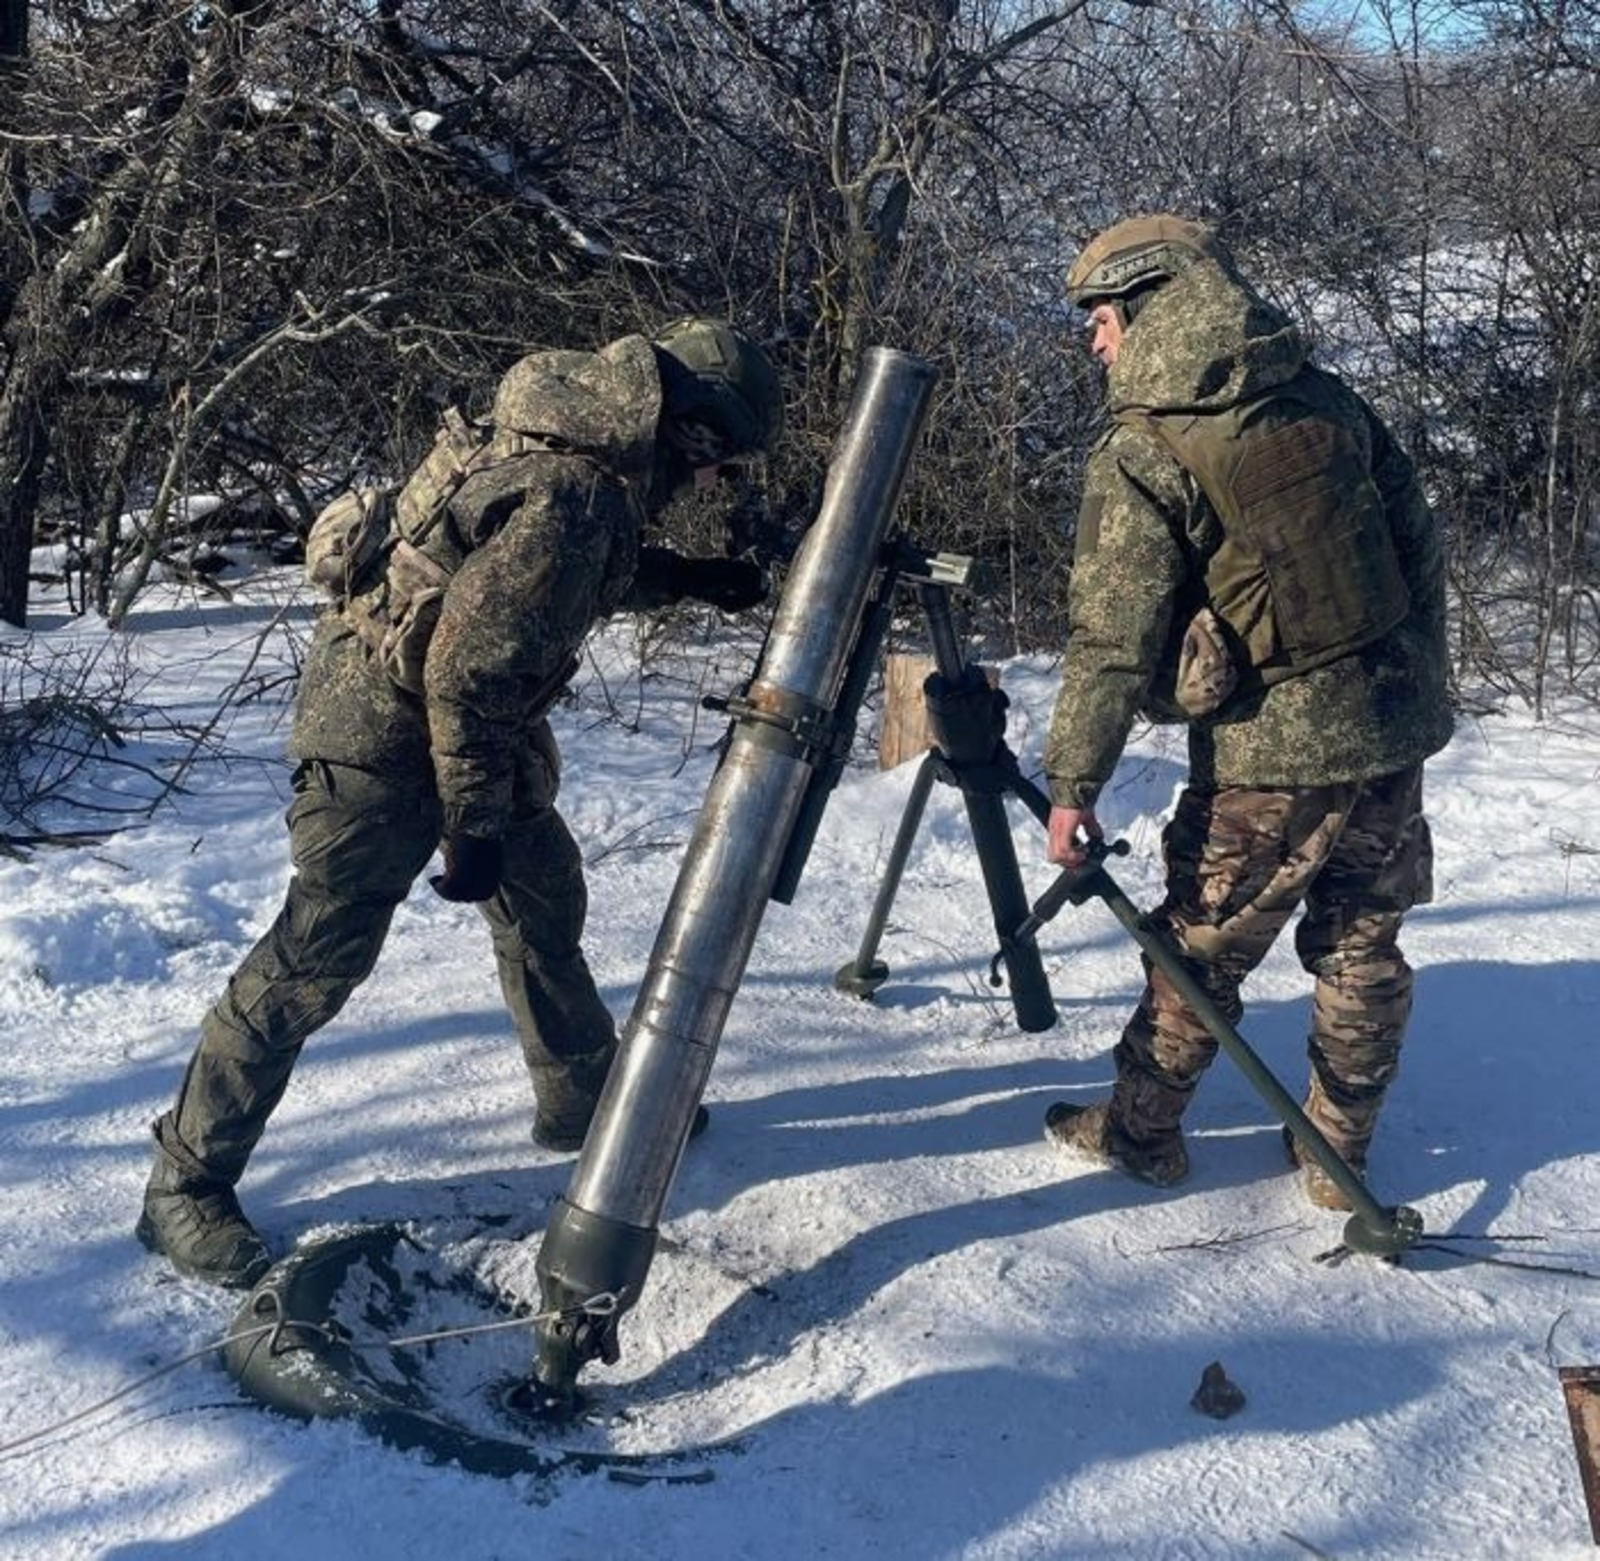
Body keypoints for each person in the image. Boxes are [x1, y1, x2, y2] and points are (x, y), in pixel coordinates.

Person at [137, 318, 785, 1287]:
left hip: (452, 722)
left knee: (544, 894)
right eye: (718, 460)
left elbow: (527, 579)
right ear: (691, 427)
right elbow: (468, 670)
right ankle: (183, 1183)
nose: (712, 481)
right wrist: (470, 824)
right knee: (315, 957)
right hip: (376, 738)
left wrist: (686, 579)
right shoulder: (578, 490)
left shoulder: (564, 443)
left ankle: (579, 1096)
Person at [1040, 215, 1451, 1211]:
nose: (1094, 342)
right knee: (1362, 942)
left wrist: (1072, 784)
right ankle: (1337, 1158)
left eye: (1101, 319)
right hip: (1388, 723)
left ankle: (1142, 1132)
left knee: (1199, 943)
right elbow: (1417, 542)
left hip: (1268, 753)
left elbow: (1111, 636)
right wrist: (1418, 685)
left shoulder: (1146, 443)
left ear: (1148, 307)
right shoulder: (1323, 395)